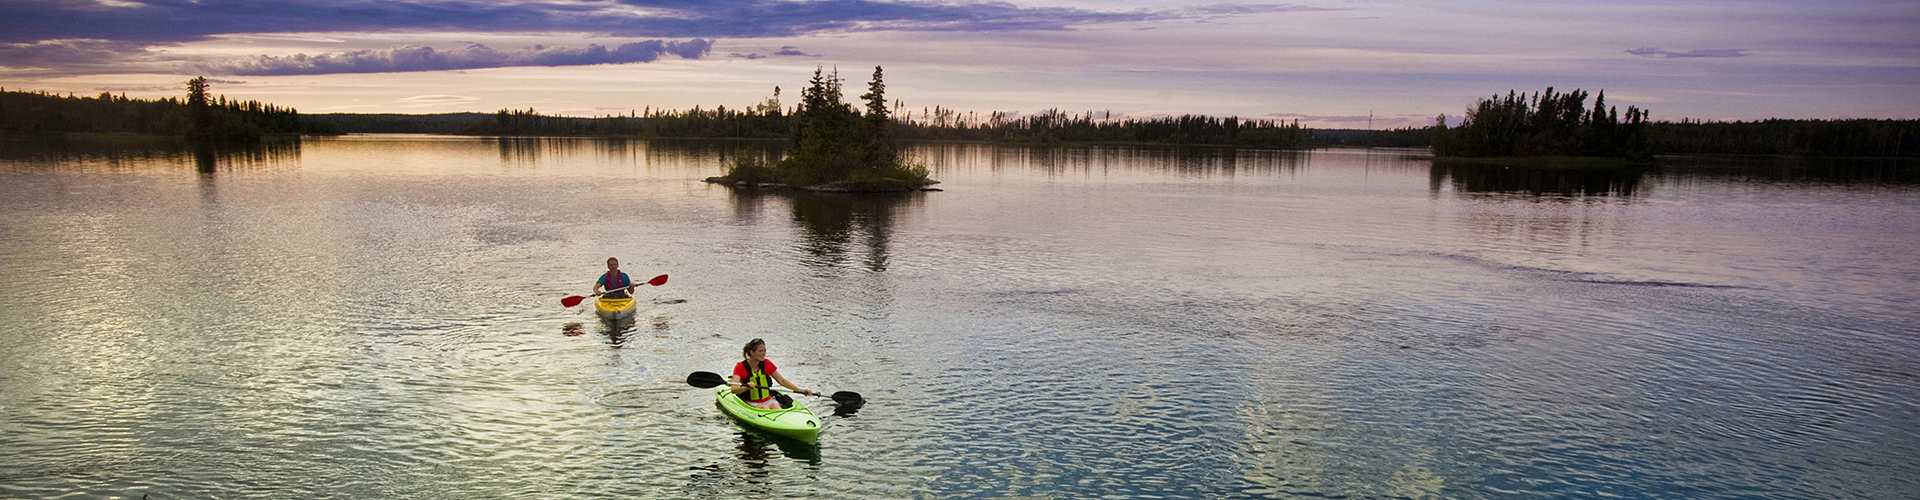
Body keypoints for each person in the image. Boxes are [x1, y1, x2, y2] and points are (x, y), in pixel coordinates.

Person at [730, 338, 814, 409]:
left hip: (768, 399)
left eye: (764, 350)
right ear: (752, 352)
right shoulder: (740, 367)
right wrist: (746, 387)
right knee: (764, 408)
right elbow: (734, 389)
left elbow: (781, 380)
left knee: (778, 409)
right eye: (760, 351)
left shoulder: (767, 363)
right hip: (751, 401)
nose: (764, 353)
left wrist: (800, 390)